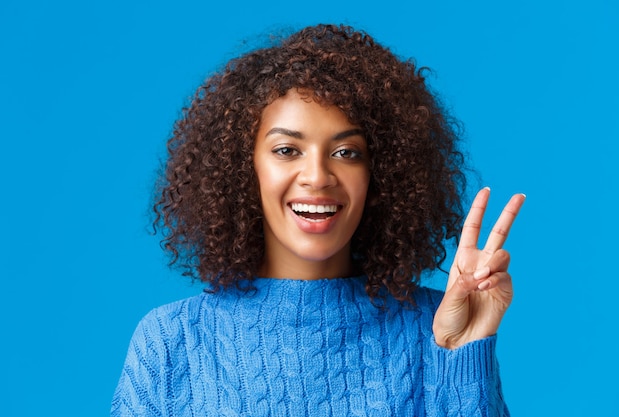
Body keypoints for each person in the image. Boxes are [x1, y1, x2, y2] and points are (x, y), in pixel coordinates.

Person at [111, 24, 525, 416]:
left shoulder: (436, 326)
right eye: (287, 150)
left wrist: (465, 351)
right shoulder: (171, 342)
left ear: (379, 173)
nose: (317, 177)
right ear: (243, 167)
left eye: (346, 153)